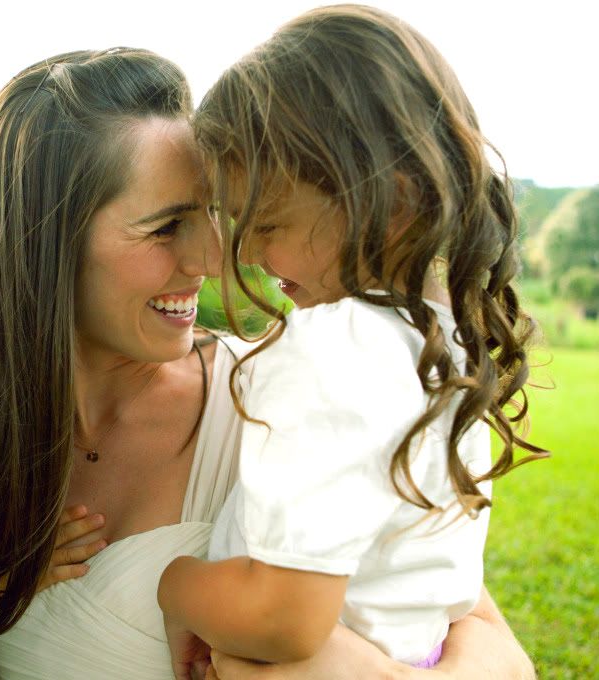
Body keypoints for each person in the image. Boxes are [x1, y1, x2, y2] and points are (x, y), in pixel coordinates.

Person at [0, 48, 536, 679]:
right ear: (42, 244)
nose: (215, 259)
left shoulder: (297, 392)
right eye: (166, 228)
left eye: (215, 212)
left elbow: (484, 641)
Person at [158, 4, 546, 676]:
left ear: (393, 206)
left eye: (268, 222)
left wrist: (175, 587)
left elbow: (285, 618)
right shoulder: (445, 341)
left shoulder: (332, 347)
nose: (245, 250)